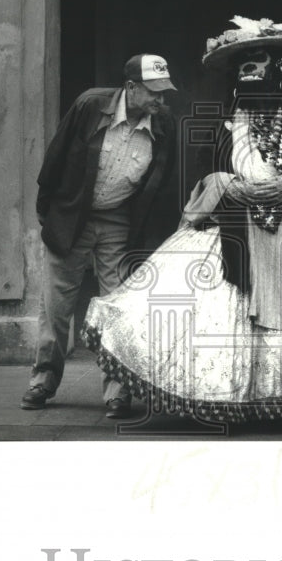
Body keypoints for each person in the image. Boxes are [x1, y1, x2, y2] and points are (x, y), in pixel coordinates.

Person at [82, 17, 282, 429]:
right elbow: (211, 171)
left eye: (262, 66)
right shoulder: (226, 124)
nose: (253, 79)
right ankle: (237, 394)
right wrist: (227, 186)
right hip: (236, 228)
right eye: (247, 69)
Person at [20, 54, 177, 417]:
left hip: (119, 221)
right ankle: (43, 381)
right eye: (153, 92)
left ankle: (117, 391)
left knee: (118, 309)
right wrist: (47, 213)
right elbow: (55, 158)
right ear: (131, 87)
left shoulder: (164, 122)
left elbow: (161, 180)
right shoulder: (91, 105)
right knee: (56, 306)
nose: (160, 100)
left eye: (164, 93)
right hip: (71, 217)